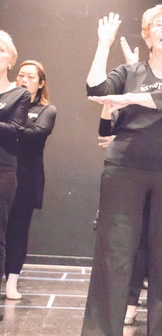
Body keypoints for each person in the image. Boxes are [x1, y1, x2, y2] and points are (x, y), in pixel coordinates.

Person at [79, 5, 162, 336]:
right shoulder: (129, 71)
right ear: (148, 36)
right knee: (113, 251)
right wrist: (103, 46)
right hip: (125, 168)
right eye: (158, 25)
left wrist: (130, 99)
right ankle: (99, 335)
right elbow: (96, 89)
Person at [4, 60, 56, 300]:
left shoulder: (46, 110)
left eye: (31, 77)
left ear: (41, 82)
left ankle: (12, 282)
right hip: (5, 172)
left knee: (17, 229)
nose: (24, 80)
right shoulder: (9, 103)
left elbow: (36, 134)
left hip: (27, 177)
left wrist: (11, 126)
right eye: (21, 75)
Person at [0, 30, 30, 316]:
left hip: (2, 169)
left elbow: (15, 131)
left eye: (0, 50)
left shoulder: (19, 94)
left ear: (10, 59)